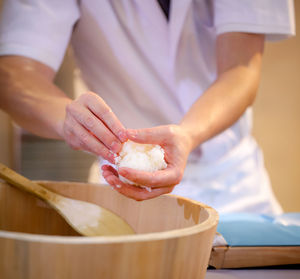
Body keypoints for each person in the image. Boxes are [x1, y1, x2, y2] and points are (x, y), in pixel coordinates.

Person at [0, 0, 295, 214]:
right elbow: (13, 77)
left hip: (235, 185)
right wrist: (66, 118)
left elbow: (239, 69)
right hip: (123, 187)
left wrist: (187, 134)